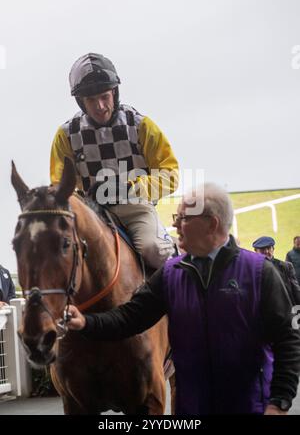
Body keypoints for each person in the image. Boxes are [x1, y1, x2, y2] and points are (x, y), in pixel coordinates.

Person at [65, 183, 300, 415]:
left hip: (251, 407)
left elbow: (288, 340)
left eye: (184, 218)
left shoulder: (260, 273)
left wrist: (279, 402)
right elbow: (130, 318)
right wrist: (86, 322)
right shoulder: (169, 275)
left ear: (212, 224)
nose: (175, 224)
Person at [50, 53, 178, 269]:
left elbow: (170, 175)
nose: (100, 106)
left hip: (135, 208)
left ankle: (175, 296)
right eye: (91, 100)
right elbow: (59, 187)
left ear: (114, 92)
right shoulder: (65, 134)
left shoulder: (141, 125)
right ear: (81, 101)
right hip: (90, 211)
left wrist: (129, 188)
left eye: (104, 97)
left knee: (154, 250)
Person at [252, 236, 300, 304]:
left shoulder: (286, 266)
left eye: (269, 248)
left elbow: (296, 290)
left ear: (273, 249)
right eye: (262, 249)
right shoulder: (251, 270)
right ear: (256, 251)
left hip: (285, 309)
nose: (266, 251)